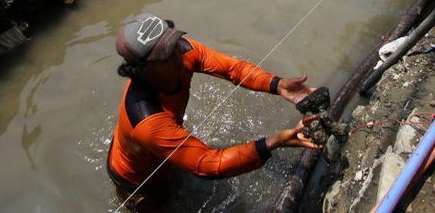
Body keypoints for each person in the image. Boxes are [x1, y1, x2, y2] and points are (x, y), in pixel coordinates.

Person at [107, 13, 321, 204]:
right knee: (164, 201)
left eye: (174, 43)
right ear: (143, 70)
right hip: (139, 179)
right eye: (168, 54)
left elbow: (232, 69)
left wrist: (279, 85)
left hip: (161, 153)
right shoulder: (148, 119)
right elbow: (209, 165)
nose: (179, 53)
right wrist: (274, 142)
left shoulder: (183, 51)